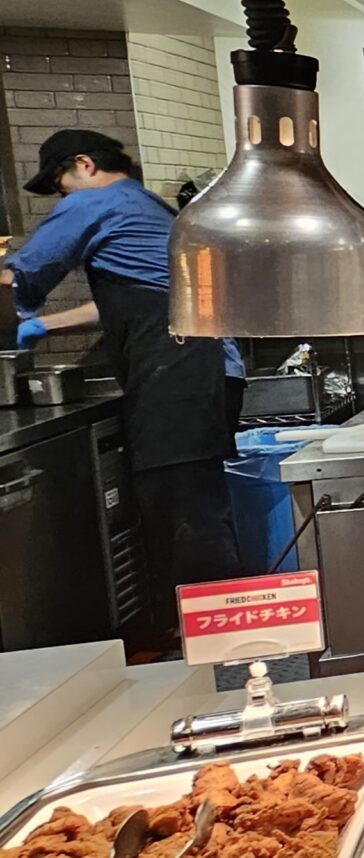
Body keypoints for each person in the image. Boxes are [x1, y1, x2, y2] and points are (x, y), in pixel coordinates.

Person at [3, 129, 243, 652]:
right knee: (192, 503)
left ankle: (215, 647)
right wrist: (44, 326)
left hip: (180, 370)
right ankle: (211, 638)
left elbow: (20, 277)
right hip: (206, 368)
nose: (62, 197)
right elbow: (127, 298)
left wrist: (16, 304)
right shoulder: (142, 205)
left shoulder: (96, 201)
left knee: (184, 511)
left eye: (60, 184)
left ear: (84, 164)